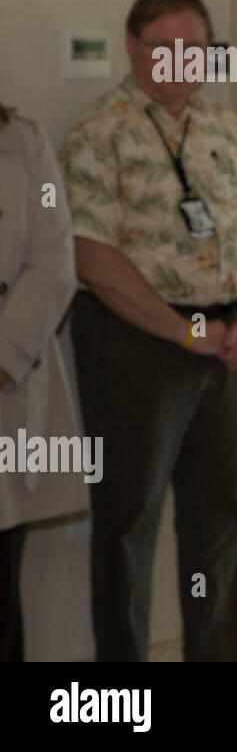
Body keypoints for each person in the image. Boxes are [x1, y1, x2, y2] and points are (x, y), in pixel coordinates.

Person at [60, 0, 237, 661]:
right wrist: (184, 332)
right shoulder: (99, 131)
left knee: (229, 514)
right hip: (137, 347)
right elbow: (91, 258)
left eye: (197, 47)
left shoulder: (223, 126)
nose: (183, 60)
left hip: (231, 345)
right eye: (166, 47)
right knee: (129, 522)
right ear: (133, 48)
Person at [0, 105, 89, 661]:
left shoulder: (23, 142)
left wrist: (4, 355)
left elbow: (55, 259)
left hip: (5, 381)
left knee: (1, 581)